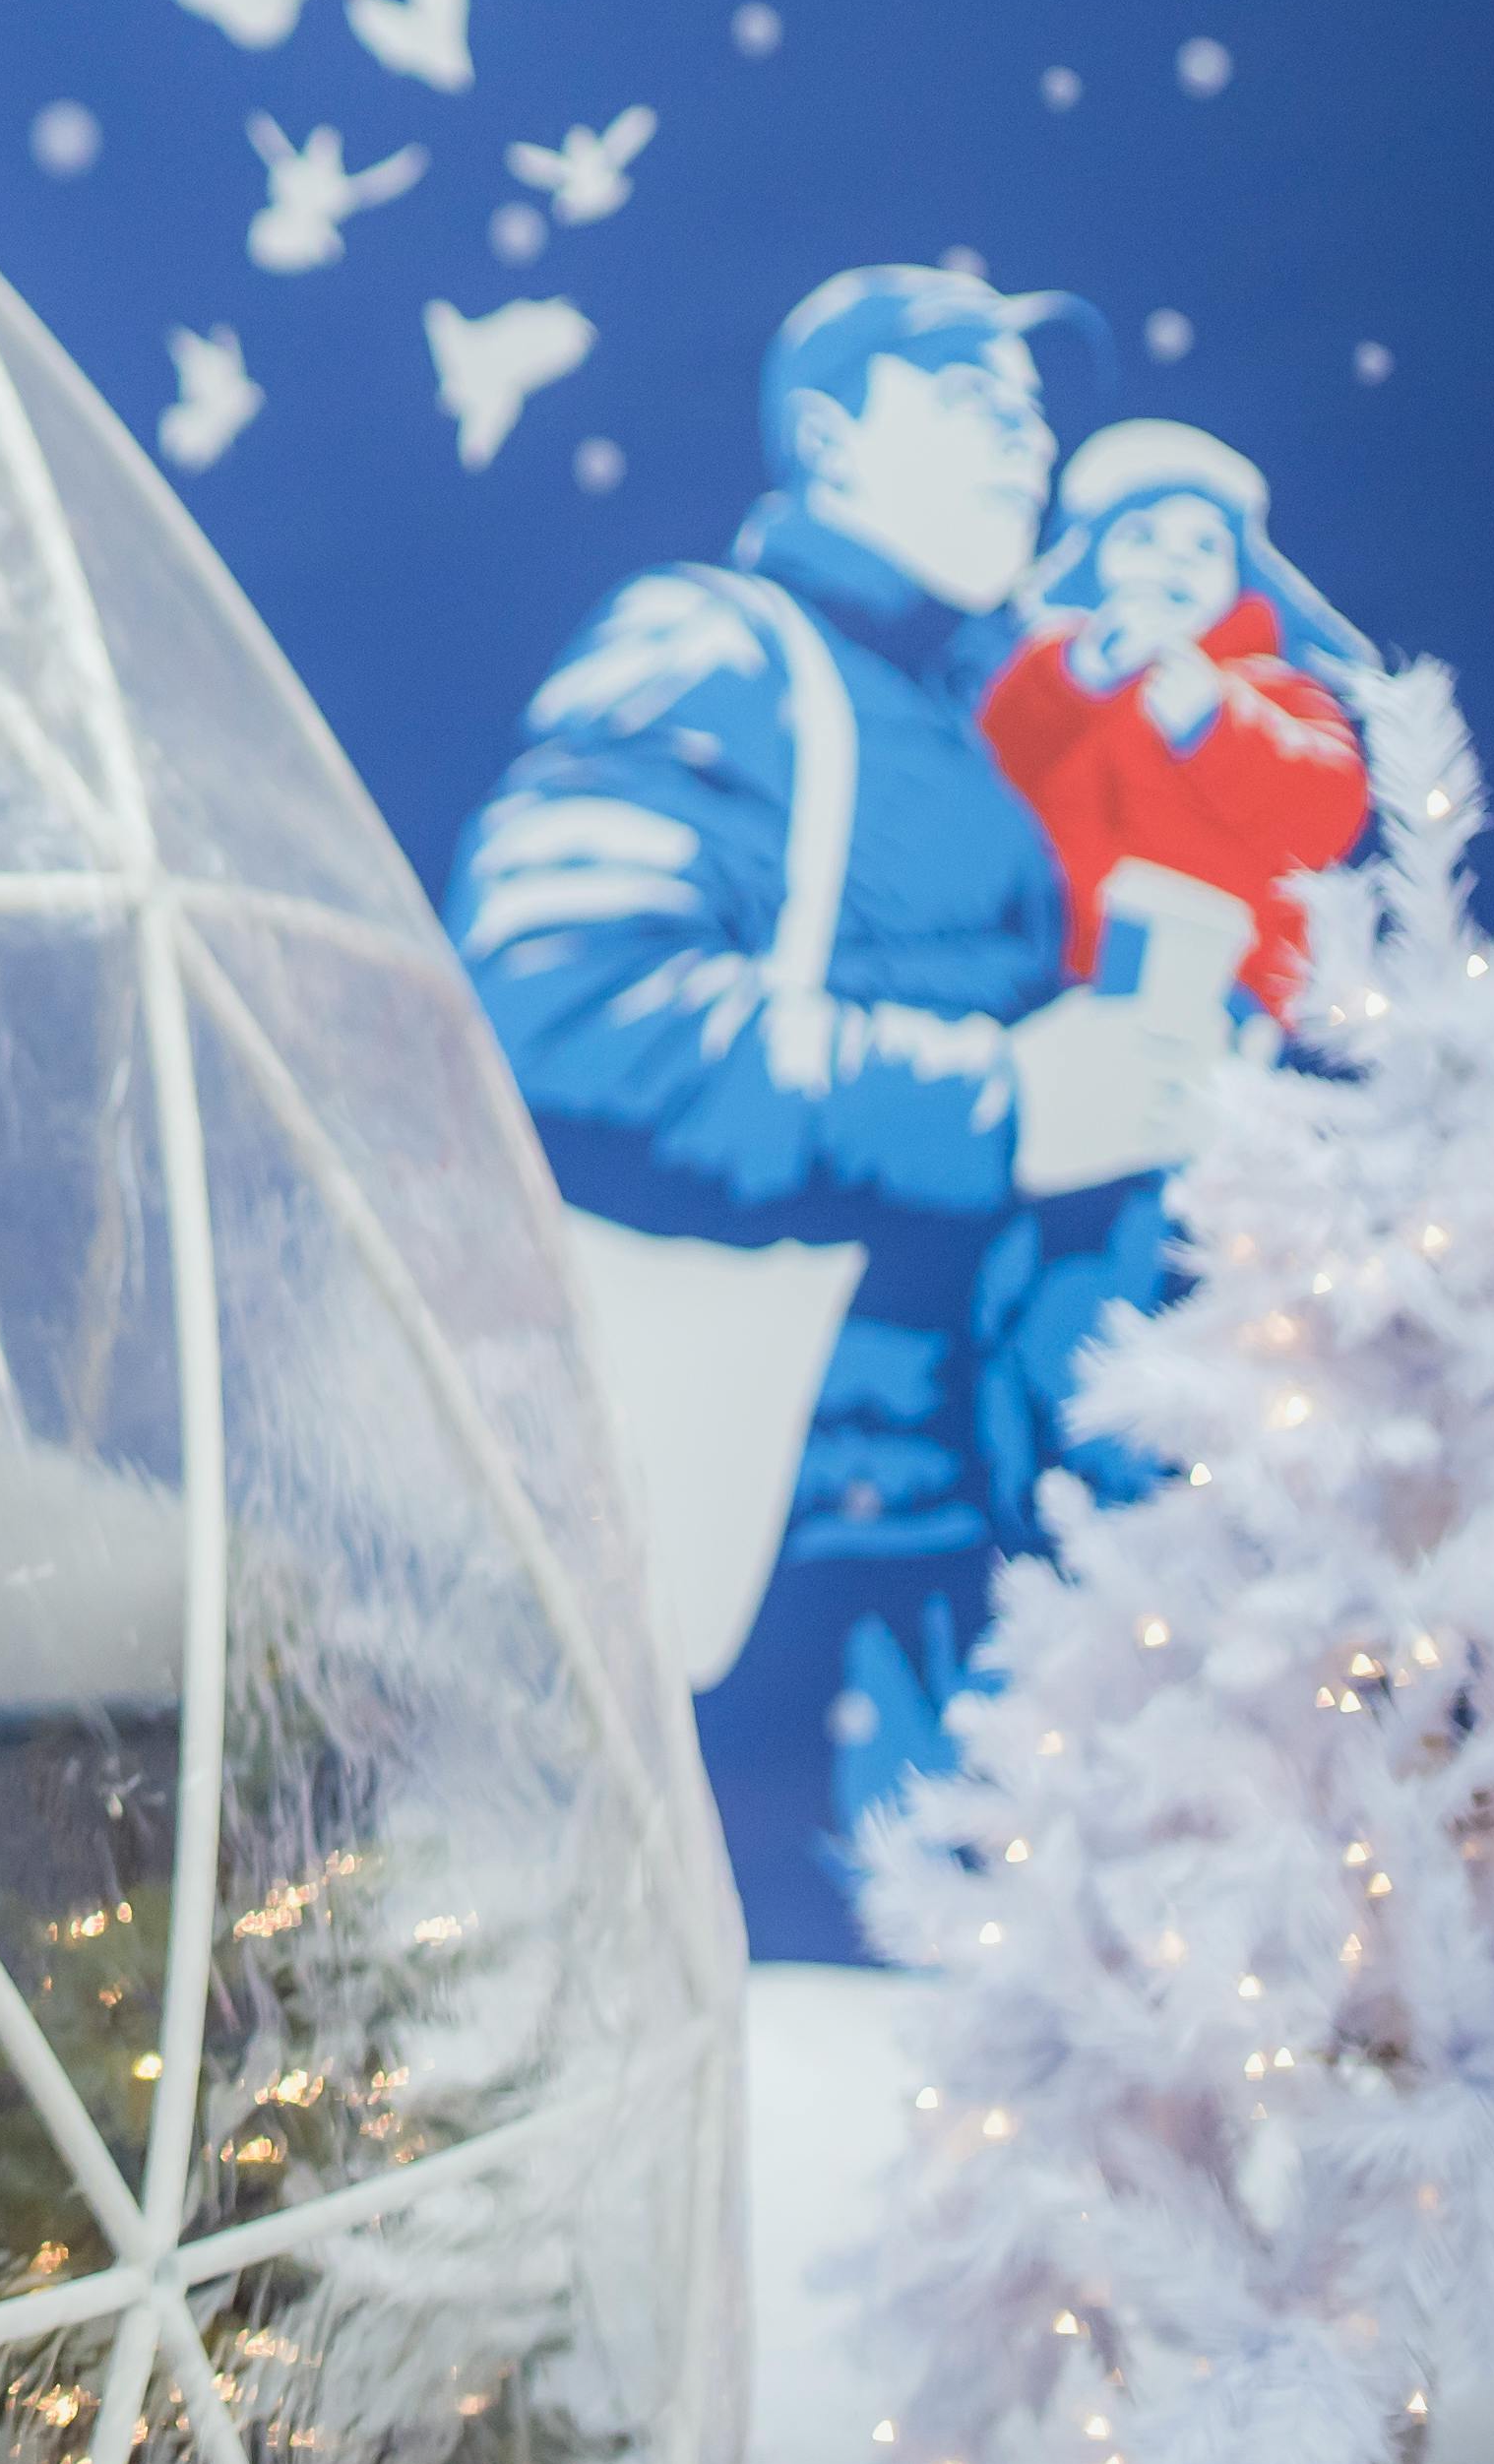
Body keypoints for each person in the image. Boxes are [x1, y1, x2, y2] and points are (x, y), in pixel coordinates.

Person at [444, 265, 1204, 1962]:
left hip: (960, 1543)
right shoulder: (719, 647)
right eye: (975, 397)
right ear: (832, 434)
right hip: (764, 1581)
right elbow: (557, 1001)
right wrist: (1000, 1102)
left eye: (1037, 407)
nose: (1028, 439)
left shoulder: (986, 719)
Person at [980, 416, 1375, 1032]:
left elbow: (1328, 812)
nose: (1173, 561)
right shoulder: (1052, 673)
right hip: (1053, 985)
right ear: (1093, 562)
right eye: (1142, 538)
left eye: (1203, 546)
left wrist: (1217, 726)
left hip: (1223, 992)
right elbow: (990, 768)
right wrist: (1077, 678)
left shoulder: (1271, 688)